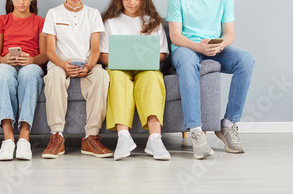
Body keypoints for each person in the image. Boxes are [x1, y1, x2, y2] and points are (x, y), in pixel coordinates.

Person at [167, 0, 254, 159]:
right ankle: (195, 131)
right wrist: (197, 46)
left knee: (246, 61)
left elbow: (229, 33)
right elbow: (175, 36)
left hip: (214, 47)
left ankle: (228, 124)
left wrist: (220, 45)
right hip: (185, 47)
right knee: (187, 64)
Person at [100, 0, 171, 161]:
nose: (132, 2)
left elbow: (162, 54)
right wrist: (123, 61)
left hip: (145, 69)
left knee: (152, 77)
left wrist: (142, 59)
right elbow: (102, 54)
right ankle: (124, 136)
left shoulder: (153, 22)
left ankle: (155, 139)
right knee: (116, 77)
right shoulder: (110, 22)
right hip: (119, 68)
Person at [41, 0, 113, 159]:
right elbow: (50, 51)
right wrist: (63, 65)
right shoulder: (53, 13)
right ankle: (57, 136)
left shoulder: (93, 14)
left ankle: (91, 138)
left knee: (102, 75)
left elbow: (95, 49)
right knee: (53, 76)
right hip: (60, 63)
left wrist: (88, 66)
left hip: (87, 63)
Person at [0, 0, 47, 161]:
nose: (21, 2)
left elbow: (45, 55)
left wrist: (32, 60)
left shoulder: (40, 22)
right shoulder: (2, 21)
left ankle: (24, 137)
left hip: (31, 65)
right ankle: (8, 139)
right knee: (3, 73)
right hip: (6, 64)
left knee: (28, 74)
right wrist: (4, 59)